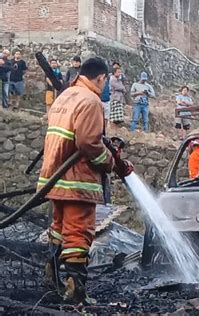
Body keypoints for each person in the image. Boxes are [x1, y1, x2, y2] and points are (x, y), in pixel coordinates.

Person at [39, 57, 115, 304]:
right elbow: (88, 143)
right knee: (78, 235)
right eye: (106, 82)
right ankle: (76, 296)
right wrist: (109, 161)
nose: (105, 87)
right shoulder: (91, 101)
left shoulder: (66, 96)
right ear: (101, 77)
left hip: (54, 178)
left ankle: (52, 280)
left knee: (59, 230)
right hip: (77, 180)